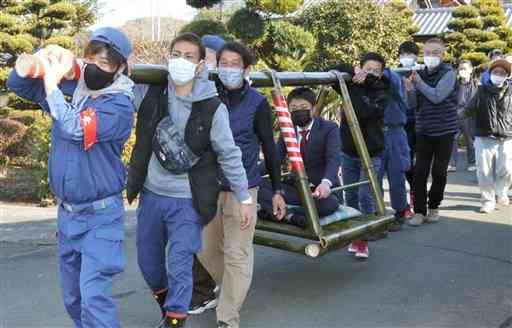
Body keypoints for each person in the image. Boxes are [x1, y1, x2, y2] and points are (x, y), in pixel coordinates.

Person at [7, 27, 135, 328]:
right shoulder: (73, 89)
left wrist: (52, 85)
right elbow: (18, 84)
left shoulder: (118, 105)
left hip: (100, 217)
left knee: (93, 296)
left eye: (106, 63)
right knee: (73, 298)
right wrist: (44, 58)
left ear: (119, 68)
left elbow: (75, 128)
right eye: (92, 59)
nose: (95, 68)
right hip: (68, 216)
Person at [127, 33, 252, 328]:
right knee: (149, 264)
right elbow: (117, 91)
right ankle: (167, 303)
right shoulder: (151, 94)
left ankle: (176, 319)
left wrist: (244, 197)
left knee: (180, 260)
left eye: (188, 56)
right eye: (176, 54)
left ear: (199, 66)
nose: (180, 61)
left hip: (188, 199)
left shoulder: (212, 107)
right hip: (152, 194)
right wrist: (123, 66)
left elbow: (229, 154)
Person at [196, 41, 286, 328]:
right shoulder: (206, 96)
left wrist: (278, 191)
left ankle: (228, 317)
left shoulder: (258, 103)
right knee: (204, 248)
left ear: (246, 69)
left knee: (237, 252)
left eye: (235, 64)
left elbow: (270, 149)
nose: (228, 69)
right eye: (223, 63)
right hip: (209, 186)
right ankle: (232, 290)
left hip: (242, 188)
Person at [330, 52, 391, 258]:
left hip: (372, 151)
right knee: (351, 195)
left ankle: (364, 239)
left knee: (366, 195)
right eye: (368, 69)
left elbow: (365, 111)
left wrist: (363, 83)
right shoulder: (350, 81)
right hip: (349, 150)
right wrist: (351, 72)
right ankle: (355, 236)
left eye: (376, 71)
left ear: (382, 74)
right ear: (360, 67)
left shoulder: (382, 89)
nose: (371, 73)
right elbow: (332, 70)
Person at [258, 87, 342, 227]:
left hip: (318, 191)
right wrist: (250, 173)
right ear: (289, 111)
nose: (298, 111)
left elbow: (334, 159)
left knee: (330, 205)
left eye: (303, 107)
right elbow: (275, 159)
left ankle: (278, 213)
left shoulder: (329, 128)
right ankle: (290, 216)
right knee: (255, 183)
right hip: (295, 188)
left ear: (313, 108)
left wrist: (326, 183)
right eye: (294, 108)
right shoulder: (288, 131)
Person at [186, 34, 227, 318]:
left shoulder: (229, 90)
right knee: (191, 235)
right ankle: (199, 290)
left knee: (210, 238)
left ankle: (207, 289)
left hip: (220, 176)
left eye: (210, 56)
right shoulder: (185, 87)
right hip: (190, 173)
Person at [408, 38, 459, 226]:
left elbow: (437, 96)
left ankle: (434, 207)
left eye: (436, 52)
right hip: (423, 129)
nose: (431, 56)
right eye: (427, 52)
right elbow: (413, 105)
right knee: (419, 171)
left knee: (439, 172)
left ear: (443, 55)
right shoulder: (418, 73)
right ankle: (419, 211)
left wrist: (418, 83)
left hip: (445, 130)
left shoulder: (449, 73)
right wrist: (410, 90)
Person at [463, 59, 512, 213]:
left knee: (507, 169)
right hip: (484, 136)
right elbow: (468, 109)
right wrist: (454, 117)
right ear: (490, 74)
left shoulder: (511, 92)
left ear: (507, 76)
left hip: (506, 137)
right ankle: (488, 201)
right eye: (496, 72)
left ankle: (501, 191)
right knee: (484, 171)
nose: (498, 75)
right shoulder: (481, 90)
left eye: (502, 73)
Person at [378, 66, 413, 232]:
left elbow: (392, 78)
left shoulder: (394, 81)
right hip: (375, 135)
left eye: (376, 69)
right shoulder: (369, 89)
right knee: (373, 177)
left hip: (395, 132)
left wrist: (378, 72)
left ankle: (400, 212)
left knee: (397, 175)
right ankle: (377, 214)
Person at [399, 40, 420, 210]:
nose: (407, 58)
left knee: (414, 163)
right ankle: (403, 201)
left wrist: (412, 88)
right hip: (398, 124)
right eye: (404, 54)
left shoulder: (420, 72)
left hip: (417, 123)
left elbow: (418, 102)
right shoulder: (394, 73)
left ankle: (415, 194)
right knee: (402, 164)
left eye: (410, 55)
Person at [448, 60, 478, 172]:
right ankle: (451, 164)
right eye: (460, 69)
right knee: (452, 139)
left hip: (470, 116)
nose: (462, 71)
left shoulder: (476, 84)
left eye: (464, 69)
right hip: (455, 115)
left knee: (470, 140)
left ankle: (472, 162)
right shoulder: (455, 84)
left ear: (471, 70)